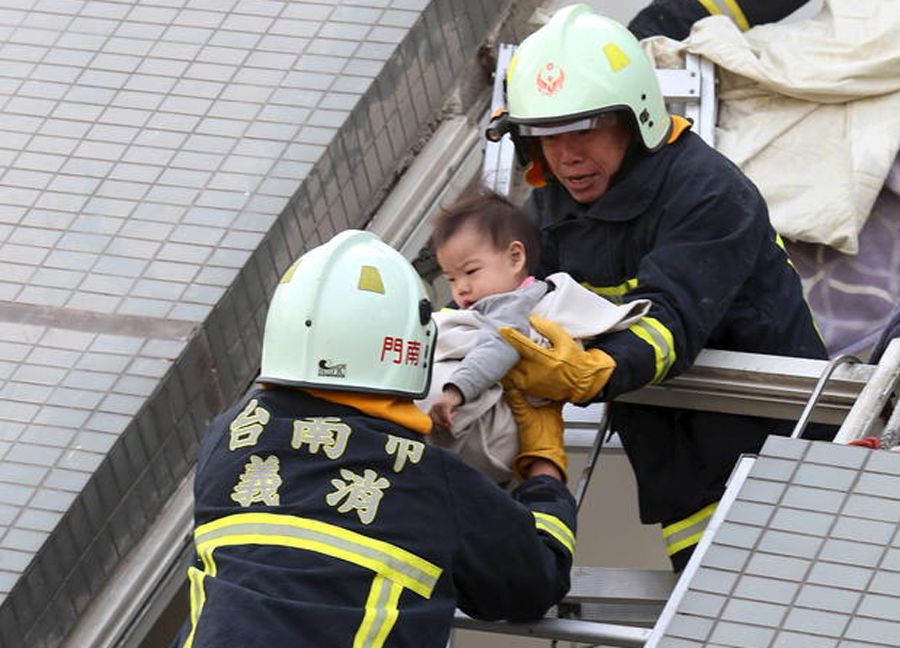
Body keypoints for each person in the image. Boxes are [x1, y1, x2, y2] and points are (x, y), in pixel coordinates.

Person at [490, 4, 833, 571]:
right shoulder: (553, 200)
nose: (566, 154)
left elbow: (671, 320)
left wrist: (592, 370)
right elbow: (507, 294)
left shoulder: (709, 193)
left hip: (782, 456)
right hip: (678, 470)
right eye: (546, 136)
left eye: (585, 128)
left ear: (638, 118)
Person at [172, 230, 577, 648]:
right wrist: (544, 469)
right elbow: (532, 583)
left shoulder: (228, 437)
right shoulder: (428, 480)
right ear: (411, 347)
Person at [419, 189, 649, 483]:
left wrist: (454, 392)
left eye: (471, 271)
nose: (460, 289)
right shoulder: (523, 299)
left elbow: (500, 344)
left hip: (494, 429)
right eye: (451, 279)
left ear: (516, 258)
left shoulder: (511, 304)